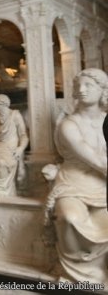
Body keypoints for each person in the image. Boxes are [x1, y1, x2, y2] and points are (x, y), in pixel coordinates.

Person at [44, 68, 108, 284]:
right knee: (69, 218)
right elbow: (98, 162)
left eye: (89, 85)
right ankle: (79, 274)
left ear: (102, 90)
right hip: (74, 183)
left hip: (103, 185)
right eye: (78, 86)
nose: (81, 90)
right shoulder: (68, 125)